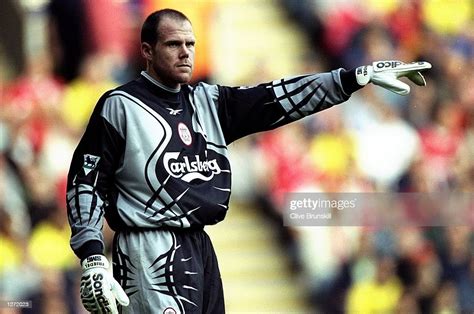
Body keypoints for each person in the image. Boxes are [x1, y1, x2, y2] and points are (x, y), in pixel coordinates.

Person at [66, 8, 431, 314]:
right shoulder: (121, 106)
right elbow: (85, 179)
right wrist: (93, 257)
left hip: (199, 247)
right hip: (147, 249)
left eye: (190, 44)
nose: (185, 53)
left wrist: (354, 77)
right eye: (173, 44)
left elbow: (279, 98)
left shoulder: (208, 102)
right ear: (146, 50)